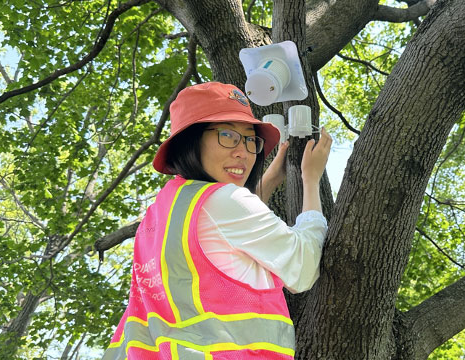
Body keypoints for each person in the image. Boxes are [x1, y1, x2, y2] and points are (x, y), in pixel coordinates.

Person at [102, 81, 332, 359]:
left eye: (249, 139)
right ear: (192, 140)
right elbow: (304, 269)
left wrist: (272, 177)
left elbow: (227, 237)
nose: (243, 152)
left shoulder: (161, 213)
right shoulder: (226, 202)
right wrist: (311, 180)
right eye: (227, 135)